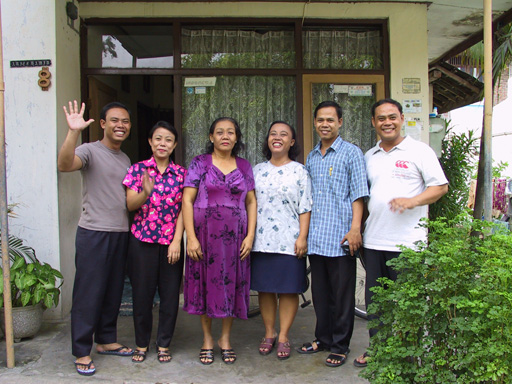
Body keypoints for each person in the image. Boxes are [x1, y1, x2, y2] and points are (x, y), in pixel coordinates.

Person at [353, 98, 448, 368]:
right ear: (373, 123)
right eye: (381, 118)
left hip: (408, 245)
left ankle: (407, 354)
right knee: (377, 303)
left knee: (407, 304)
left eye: (392, 117)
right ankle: (378, 350)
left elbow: (440, 187)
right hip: (374, 242)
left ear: (402, 119)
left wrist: (412, 201)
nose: (387, 122)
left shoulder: (419, 151)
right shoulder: (369, 156)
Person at [58, 100, 134, 377]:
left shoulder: (125, 159)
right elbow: (65, 165)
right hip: (93, 232)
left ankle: (106, 340)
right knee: (88, 293)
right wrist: (73, 132)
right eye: (115, 120)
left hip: (120, 232)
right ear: (103, 124)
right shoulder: (89, 150)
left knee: (113, 291)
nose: (120, 125)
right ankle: (81, 350)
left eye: (125, 121)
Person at [297, 100, 369, 368]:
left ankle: (340, 345)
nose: (324, 124)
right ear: (315, 123)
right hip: (317, 238)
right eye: (320, 120)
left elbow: (358, 194)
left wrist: (355, 229)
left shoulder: (352, 153)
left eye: (330, 120)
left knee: (342, 297)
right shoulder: (312, 156)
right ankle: (323, 339)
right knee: (321, 295)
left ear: (340, 122)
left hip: (341, 238)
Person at [182, 117, 257, 365]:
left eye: (231, 132)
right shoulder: (199, 163)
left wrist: (250, 235)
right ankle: (207, 339)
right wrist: (190, 237)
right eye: (220, 132)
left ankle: (225, 338)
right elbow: (187, 200)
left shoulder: (245, 166)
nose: (225, 136)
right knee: (205, 285)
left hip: (235, 238)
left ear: (237, 138)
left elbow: (251, 202)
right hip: (204, 237)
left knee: (231, 285)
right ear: (211, 137)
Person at [122, 121, 186, 364]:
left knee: (170, 296)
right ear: (150, 142)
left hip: (171, 243)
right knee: (142, 295)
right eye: (158, 138)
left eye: (168, 140)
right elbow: (130, 205)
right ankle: (141, 343)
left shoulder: (182, 174)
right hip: (141, 242)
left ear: (174, 145)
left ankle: (163, 344)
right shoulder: (138, 170)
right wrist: (145, 192)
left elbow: (183, 209)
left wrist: (176, 241)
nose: (163, 143)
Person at [251, 121, 312, 360]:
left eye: (284, 134)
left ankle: (284, 336)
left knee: (288, 290)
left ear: (292, 142)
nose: (277, 137)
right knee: (265, 289)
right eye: (273, 134)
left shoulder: (300, 171)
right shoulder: (256, 170)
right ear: (268, 140)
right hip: (261, 240)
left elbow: (305, 206)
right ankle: (269, 333)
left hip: (290, 239)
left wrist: (302, 237)